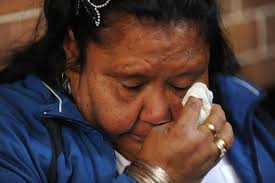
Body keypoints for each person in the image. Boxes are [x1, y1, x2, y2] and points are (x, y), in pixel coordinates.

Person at [0, 0, 274, 182]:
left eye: (182, 84)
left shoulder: (244, 108)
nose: (158, 114)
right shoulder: (14, 135)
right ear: (73, 52)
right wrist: (155, 174)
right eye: (132, 85)